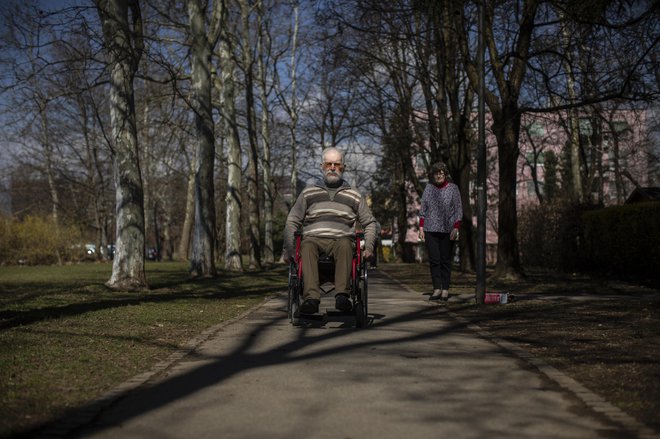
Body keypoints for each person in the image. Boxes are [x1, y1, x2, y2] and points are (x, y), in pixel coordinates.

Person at [284, 147, 377, 315]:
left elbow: (370, 223)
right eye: (329, 164)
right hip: (313, 239)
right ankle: (311, 299)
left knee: (344, 244)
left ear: (343, 167)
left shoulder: (354, 195)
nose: (332, 167)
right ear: (322, 166)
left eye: (337, 164)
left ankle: (342, 296)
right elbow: (292, 220)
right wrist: (289, 249)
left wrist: (369, 247)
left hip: (342, 241)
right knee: (307, 244)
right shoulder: (308, 192)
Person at [418, 162, 463, 301]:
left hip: (447, 230)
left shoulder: (453, 189)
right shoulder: (429, 188)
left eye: (441, 173)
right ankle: (437, 288)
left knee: (445, 261)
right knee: (434, 260)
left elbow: (458, 209)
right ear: (433, 175)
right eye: (436, 173)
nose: (439, 175)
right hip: (430, 229)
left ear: (445, 174)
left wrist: (456, 227)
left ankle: (445, 289)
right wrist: (421, 227)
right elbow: (423, 209)